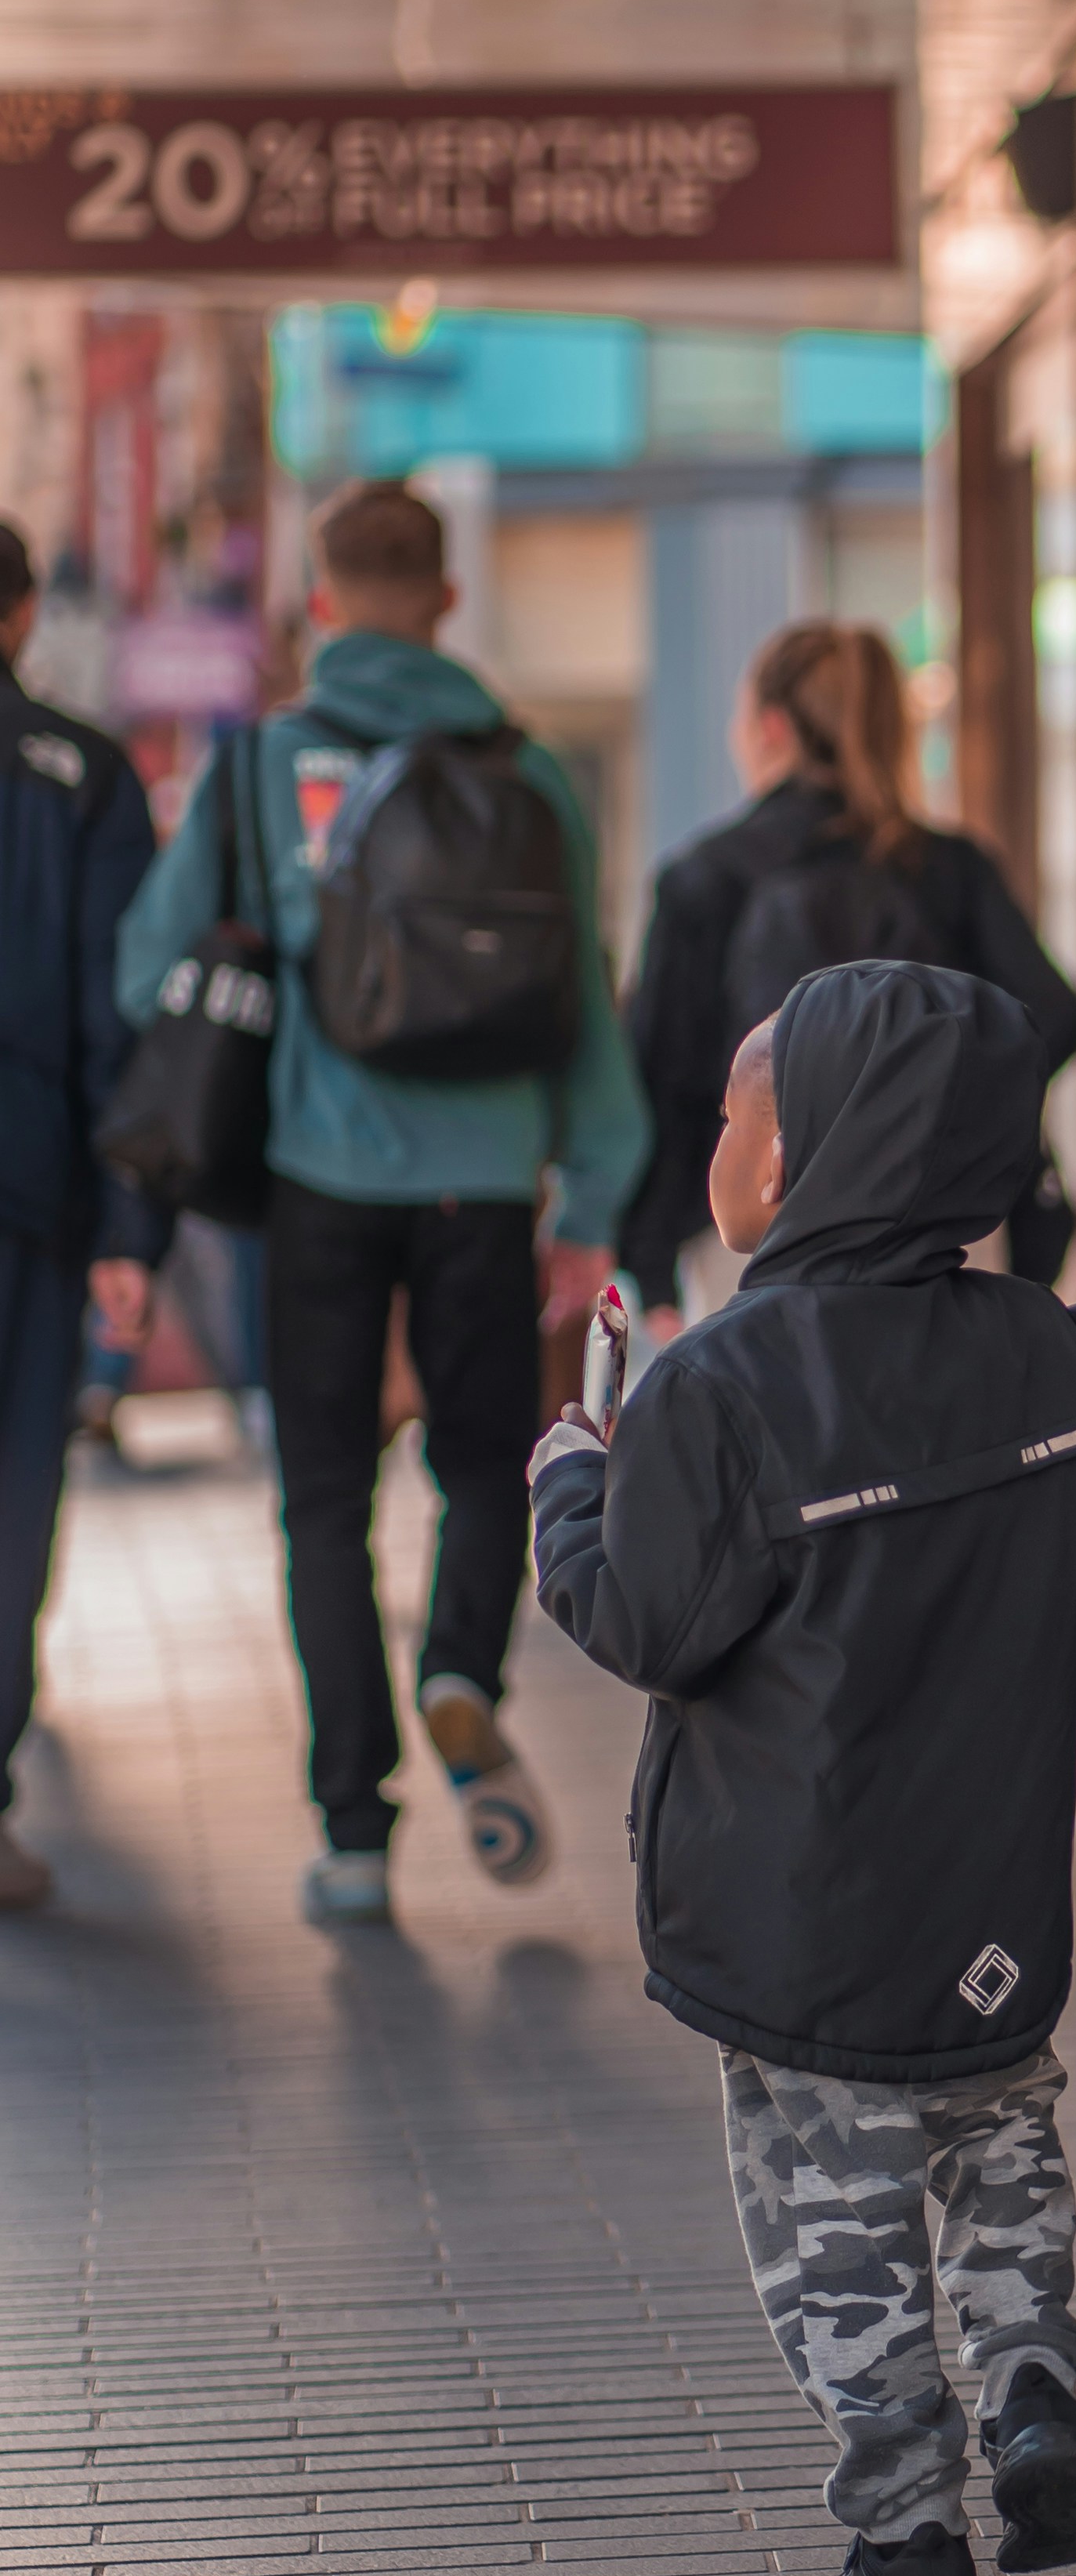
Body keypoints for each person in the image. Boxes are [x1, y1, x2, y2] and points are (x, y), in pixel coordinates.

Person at [527, 960, 1076, 2576]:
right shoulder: (1028, 1351)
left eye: (732, 1112)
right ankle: (1030, 2394)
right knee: (1002, 2137)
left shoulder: (714, 1390)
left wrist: (576, 1475)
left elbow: (644, 1620)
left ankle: (908, 2545)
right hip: (989, 1905)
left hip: (804, 1927)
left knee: (837, 2224)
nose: (716, 1140)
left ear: (792, 1165)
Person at [119, 480, 647, 1927]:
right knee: (484, 1466)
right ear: (448, 599)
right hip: (487, 1184)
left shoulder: (256, 768)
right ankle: (461, 1672)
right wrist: (590, 1197)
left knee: (324, 1501)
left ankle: (355, 1829)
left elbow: (144, 969)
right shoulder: (529, 775)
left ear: (325, 599)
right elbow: (586, 1006)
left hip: (317, 1185)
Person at [617, 616, 1076, 1328]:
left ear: (771, 728)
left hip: (758, 1221)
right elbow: (1053, 1014)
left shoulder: (706, 877)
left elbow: (662, 1072)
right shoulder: (946, 871)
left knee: (773, 1427)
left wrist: (650, 1260)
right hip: (939, 1220)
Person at [0, 518, 168, 1911]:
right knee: (11, 1489)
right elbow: (127, 1026)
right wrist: (130, 1227)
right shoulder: (80, 774)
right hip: (31, 1189)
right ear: (17, 621)